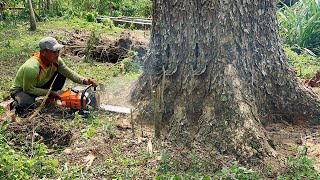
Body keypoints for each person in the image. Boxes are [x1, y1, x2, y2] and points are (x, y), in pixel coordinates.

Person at [10, 37, 98, 112]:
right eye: (54, 52)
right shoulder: (32, 67)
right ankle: (14, 104)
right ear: (43, 52)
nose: (57, 54)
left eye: (58, 51)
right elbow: (28, 89)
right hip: (23, 89)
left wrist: (85, 81)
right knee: (27, 106)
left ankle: (49, 100)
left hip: (39, 85)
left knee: (62, 74)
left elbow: (69, 73)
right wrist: (50, 92)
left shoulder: (56, 61)